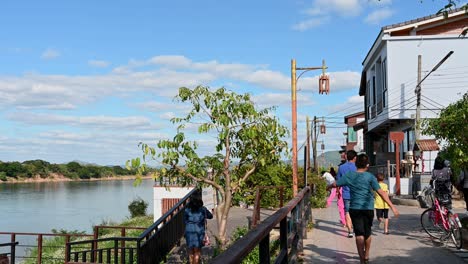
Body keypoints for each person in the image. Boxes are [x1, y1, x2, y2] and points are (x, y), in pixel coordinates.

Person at [328, 154, 399, 264]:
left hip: (355, 208)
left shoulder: (349, 175)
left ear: (356, 164)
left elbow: (335, 184)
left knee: (359, 234)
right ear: (367, 165)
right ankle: (366, 254)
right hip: (368, 208)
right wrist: (392, 207)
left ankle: (361, 258)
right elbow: (381, 193)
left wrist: (328, 187)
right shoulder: (370, 177)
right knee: (367, 232)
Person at [184, 190, 213, 264]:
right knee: (197, 251)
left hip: (189, 230)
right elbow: (210, 216)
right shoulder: (202, 209)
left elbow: (185, 220)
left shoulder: (187, 209)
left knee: (190, 251)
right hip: (199, 230)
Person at [336, 150, 357, 238]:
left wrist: (338, 191)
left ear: (346, 157)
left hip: (346, 194)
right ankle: (356, 227)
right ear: (355, 158)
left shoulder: (341, 168)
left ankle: (350, 231)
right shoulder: (357, 167)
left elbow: (338, 181)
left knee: (347, 212)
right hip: (357, 194)